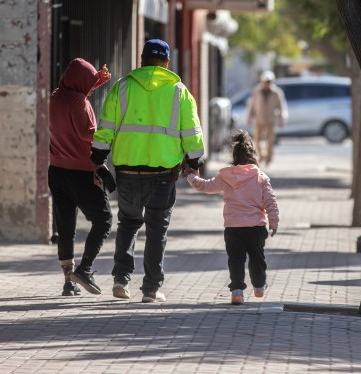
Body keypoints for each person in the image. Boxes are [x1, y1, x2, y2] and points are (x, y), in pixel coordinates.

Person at [91, 39, 204, 303]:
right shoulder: (179, 91)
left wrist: (98, 157)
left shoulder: (122, 87)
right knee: (157, 229)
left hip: (128, 170)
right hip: (163, 173)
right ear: (166, 63)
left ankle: (121, 279)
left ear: (141, 60)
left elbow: (105, 127)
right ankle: (151, 289)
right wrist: (194, 161)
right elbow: (192, 132)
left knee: (128, 223)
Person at [184, 130, 279, 305]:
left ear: (234, 157)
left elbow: (204, 186)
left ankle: (237, 292)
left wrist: (190, 176)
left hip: (233, 228)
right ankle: (259, 286)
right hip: (255, 228)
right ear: (253, 156)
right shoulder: (260, 178)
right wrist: (273, 222)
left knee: (235, 260)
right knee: (257, 258)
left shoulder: (226, 177)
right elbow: (270, 202)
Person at [49, 58, 114, 296]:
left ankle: (69, 281)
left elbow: (76, 89)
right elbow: (87, 135)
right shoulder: (80, 102)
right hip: (82, 173)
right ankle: (85, 269)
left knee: (66, 227)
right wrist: (109, 133)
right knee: (104, 220)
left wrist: (97, 80)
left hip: (57, 171)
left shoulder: (56, 95)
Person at [246, 70, 287, 166]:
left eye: (269, 82)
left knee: (270, 140)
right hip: (258, 119)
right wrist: (249, 118)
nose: (267, 84)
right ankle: (261, 156)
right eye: (266, 82)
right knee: (257, 140)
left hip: (270, 120)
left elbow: (281, 106)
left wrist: (281, 119)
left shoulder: (277, 93)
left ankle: (269, 158)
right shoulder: (256, 91)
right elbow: (251, 105)